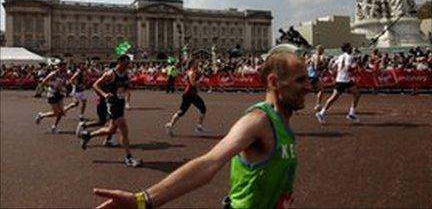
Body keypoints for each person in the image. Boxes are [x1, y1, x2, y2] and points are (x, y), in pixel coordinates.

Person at [93, 44, 312, 209]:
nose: (308, 86)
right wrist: (142, 201)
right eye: (300, 80)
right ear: (274, 82)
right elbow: (208, 163)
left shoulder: (283, 122)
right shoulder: (258, 121)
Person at [78, 54, 141, 167]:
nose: (128, 66)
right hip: (112, 104)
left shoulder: (125, 74)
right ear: (120, 62)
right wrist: (104, 94)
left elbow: (125, 87)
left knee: (111, 130)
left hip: (120, 103)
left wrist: (128, 86)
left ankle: (88, 135)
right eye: (126, 63)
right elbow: (95, 85)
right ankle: (129, 158)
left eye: (128, 64)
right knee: (124, 128)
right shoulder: (110, 74)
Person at [316, 43, 361, 124]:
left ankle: (351, 113)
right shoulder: (348, 56)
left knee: (357, 94)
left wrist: (334, 72)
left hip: (343, 79)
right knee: (334, 98)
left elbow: (332, 66)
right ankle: (321, 113)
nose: (352, 48)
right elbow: (348, 68)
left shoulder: (340, 56)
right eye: (350, 47)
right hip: (343, 80)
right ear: (347, 48)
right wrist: (355, 66)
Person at [164, 59, 207, 136]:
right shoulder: (191, 72)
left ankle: (170, 125)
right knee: (200, 109)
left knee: (184, 111)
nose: (197, 65)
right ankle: (198, 127)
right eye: (196, 63)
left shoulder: (191, 72)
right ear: (192, 64)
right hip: (190, 94)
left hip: (190, 94)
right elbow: (193, 84)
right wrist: (200, 81)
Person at [34, 61, 69, 133]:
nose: (65, 67)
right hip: (52, 94)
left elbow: (63, 83)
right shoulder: (54, 73)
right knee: (56, 113)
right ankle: (41, 115)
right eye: (63, 66)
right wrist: (52, 86)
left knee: (61, 112)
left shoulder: (64, 74)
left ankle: (54, 127)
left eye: (65, 66)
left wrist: (63, 88)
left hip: (59, 93)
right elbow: (44, 81)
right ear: (60, 66)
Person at [307, 45, 326, 111]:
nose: (323, 51)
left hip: (309, 75)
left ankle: (318, 105)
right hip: (314, 75)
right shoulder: (318, 56)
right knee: (321, 90)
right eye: (322, 50)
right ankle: (318, 105)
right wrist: (323, 65)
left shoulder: (312, 56)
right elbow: (316, 66)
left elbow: (307, 63)